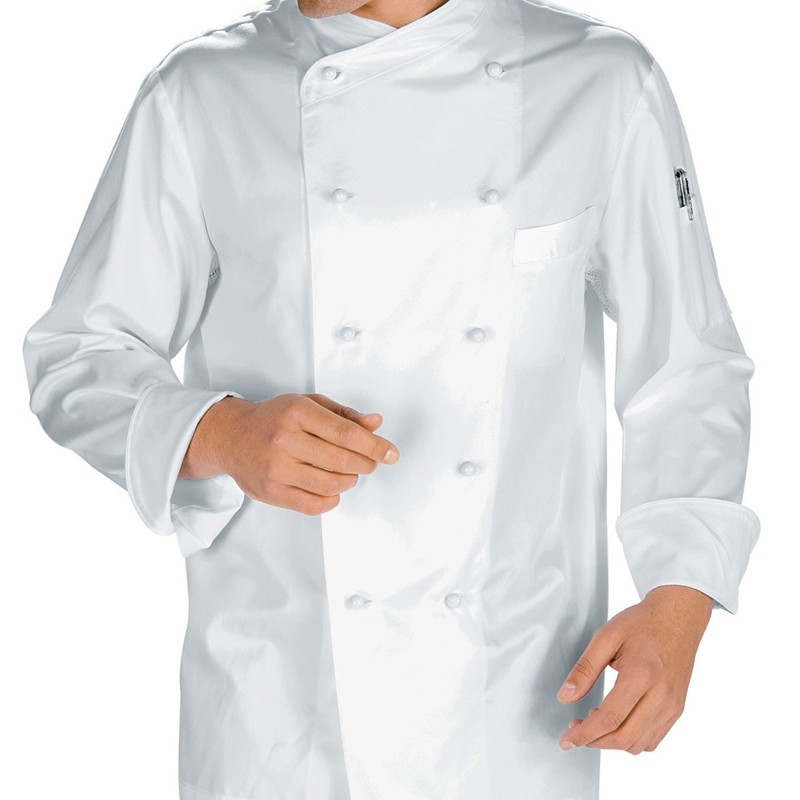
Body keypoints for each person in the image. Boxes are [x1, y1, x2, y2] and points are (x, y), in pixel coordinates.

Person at [22, 0, 761, 798]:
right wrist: (221, 433)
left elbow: (688, 366)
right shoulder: (202, 91)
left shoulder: (600, 81)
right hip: (279, 704)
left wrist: (679, 601)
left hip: (511, 697)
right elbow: (78, 354)